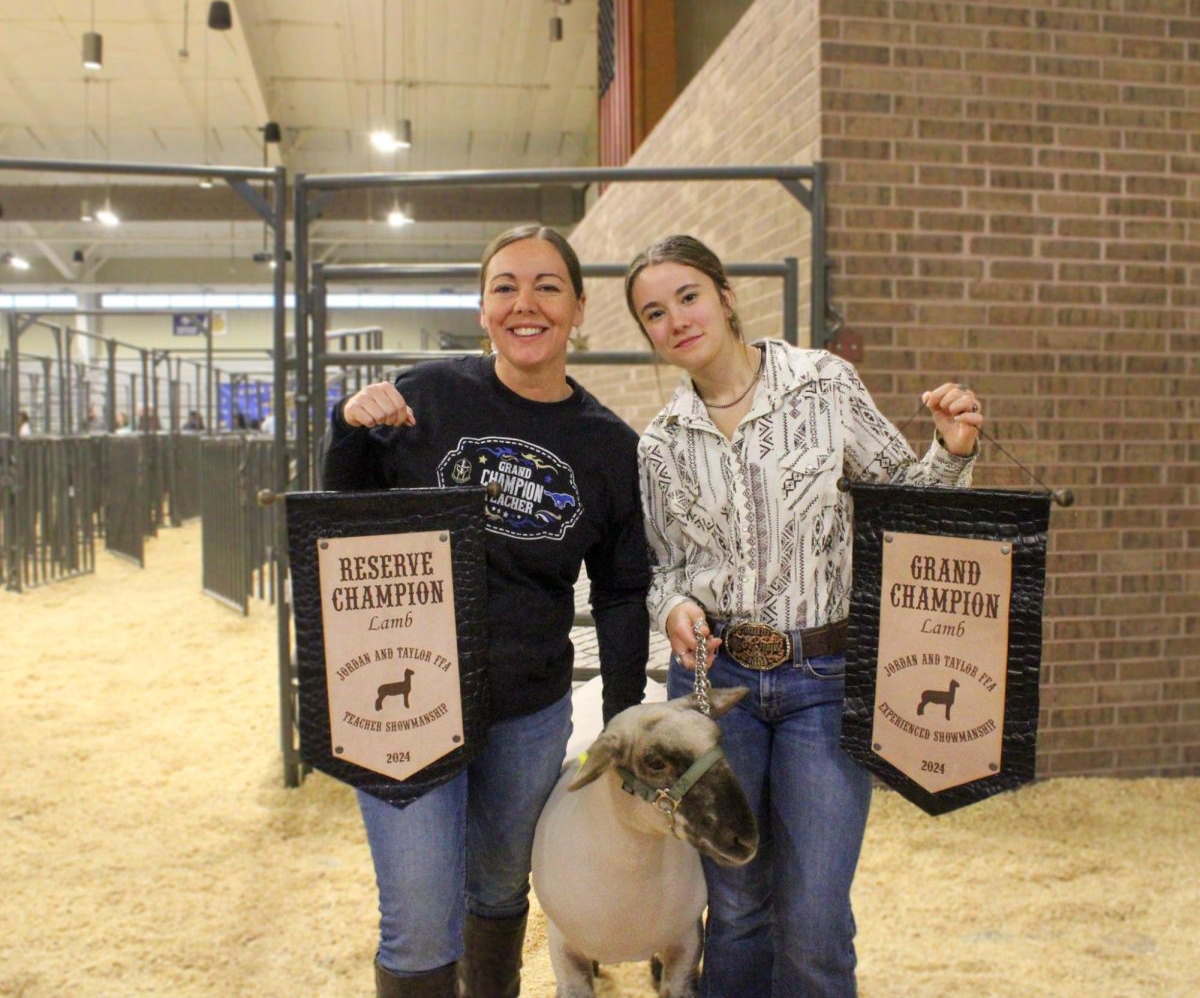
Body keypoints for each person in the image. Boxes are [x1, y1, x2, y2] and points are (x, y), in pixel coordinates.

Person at [626, 235, 983, 998]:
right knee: (737, 905)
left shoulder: (823, 384)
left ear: (724, 295)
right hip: (713, 686)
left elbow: (900, 500)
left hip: (826, 678)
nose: (677, 318)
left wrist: (951, 452)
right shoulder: (660, 444)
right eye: (654, 312)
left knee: (817, 917)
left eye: (688, 295)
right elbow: (666, 568)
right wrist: (678, 608)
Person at [322, 224, 651, 998]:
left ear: (577, 308)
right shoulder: (428, 397)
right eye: (504, 286)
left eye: (546, 286)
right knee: (417, 919)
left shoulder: (608, 446)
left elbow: (622, 590)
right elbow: (345, 521)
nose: (524, 303)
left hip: (528, 709)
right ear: (481, 308)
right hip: (406, 698)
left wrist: (624, 719)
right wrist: (348, 426)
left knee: (501, 889)